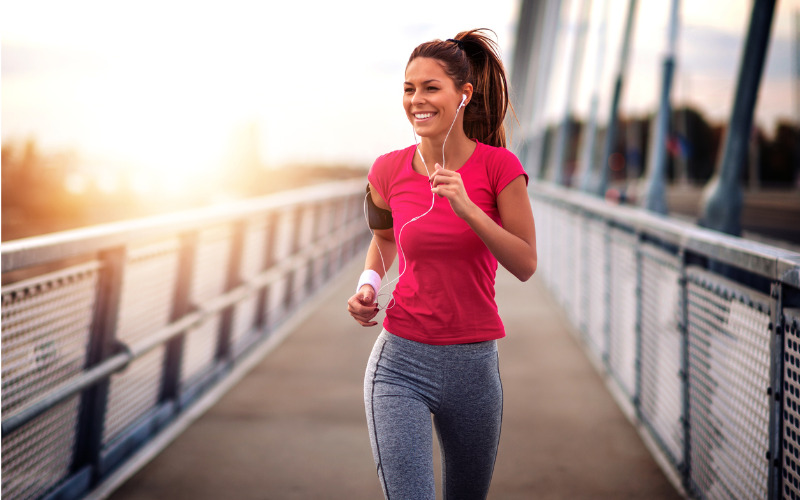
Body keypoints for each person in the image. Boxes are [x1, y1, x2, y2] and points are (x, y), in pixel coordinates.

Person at [346, 28, 537, 500]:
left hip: (475, 367)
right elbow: (385, 239)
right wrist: (369, 283)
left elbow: (526, 263)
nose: (417, 100)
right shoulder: (387, 170)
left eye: (431, 88)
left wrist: (469, 208)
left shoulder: (500, 168)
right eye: (409, 89)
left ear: (463, 95)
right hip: (401, 362)